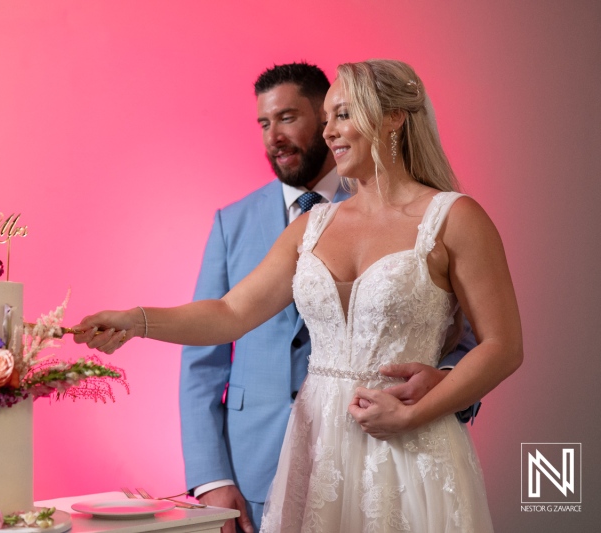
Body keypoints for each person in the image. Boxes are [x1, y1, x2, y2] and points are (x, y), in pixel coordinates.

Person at [73, 59, 522, 531]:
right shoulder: (315, 224)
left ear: (394, 117)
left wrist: (415, 416)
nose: (329, 132)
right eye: (327, 119)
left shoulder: (455, 217)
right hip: (317, 448)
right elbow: (230, 313)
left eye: (343, 114)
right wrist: (136, 320)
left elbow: (502, 345)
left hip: (413, 451)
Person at [178, 63, 476, 533]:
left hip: (399, 449)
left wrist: (441, 386)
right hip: (264, 465)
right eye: (263, 123)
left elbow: (466, 335)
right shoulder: (231, 222)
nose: (273, 135)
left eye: (289, 117)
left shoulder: (439, 216)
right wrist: (210, 476)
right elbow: (210, 344)